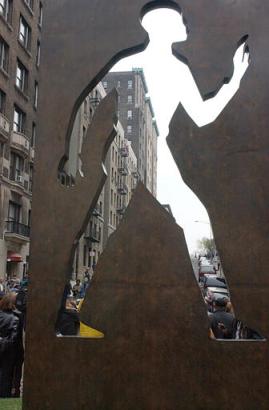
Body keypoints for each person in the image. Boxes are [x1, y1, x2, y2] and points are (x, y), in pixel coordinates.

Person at [0, 292, 23, 397]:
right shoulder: (16, 318)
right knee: (6, 379)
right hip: (9, 355)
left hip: (6, 352)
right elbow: (13, 340)